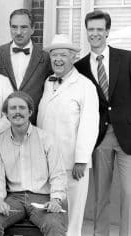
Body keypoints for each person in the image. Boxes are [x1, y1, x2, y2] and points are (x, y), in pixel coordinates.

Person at [74, 10, 131, 236]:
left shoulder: (126, 58)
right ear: (86, 32)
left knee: (128, 192)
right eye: (91, 30)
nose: (95, 34)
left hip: (127, 133)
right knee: (100, 195)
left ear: (107, 31)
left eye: (99, 29)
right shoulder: (79, 67)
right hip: (99, 136)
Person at [37, 34, 99, 236]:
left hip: (73, 163)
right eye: (54, 55)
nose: (58, 59)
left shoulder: (85, 85)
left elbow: (89, 124)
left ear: (72, 58)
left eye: (63, 55)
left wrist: (81, 160)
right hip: (48, 161)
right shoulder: (48, 82)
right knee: (51, 212)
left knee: (73, 214)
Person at [0, 91, 67, 236]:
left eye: (22, 108)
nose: (17, 112)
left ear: (30, 112)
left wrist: (55, 200)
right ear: (6, 114)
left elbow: (58, 174)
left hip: (42, 199)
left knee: (54, 225)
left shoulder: (47, 139)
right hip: (14, 199)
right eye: (13, 108)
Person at [0, 9, 52, 124]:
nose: (18, 32)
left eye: (23, 27)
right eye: (14, 27)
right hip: (1, 123)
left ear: (32, 29)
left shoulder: (45, 58)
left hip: (33, 123)